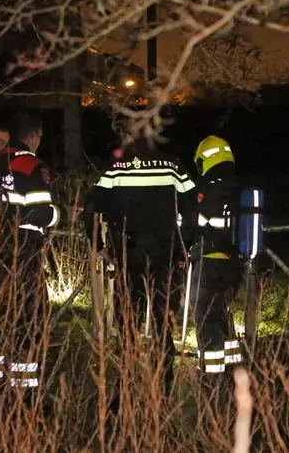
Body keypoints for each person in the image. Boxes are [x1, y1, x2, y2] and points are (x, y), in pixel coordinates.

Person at [83, 122, 198, 400]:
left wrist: (98, 246)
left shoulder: (116, 167)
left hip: (127, 254)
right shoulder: (174, 166)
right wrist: (185, 246)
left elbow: (90, 208)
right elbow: (193, 208)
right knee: (162, 321)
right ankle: (163, 390)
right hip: (166, 254)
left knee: (128, 324)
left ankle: (123, 392)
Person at [0, 113, 62, 399]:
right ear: (33, 137)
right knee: (28, 314)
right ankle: (24, 390)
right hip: (23, 251)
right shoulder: (31, 164)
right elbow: (41, 211)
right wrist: (58, 215)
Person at [190, 136, 243, 384]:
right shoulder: (235, 185)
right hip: (233, 263)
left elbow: (200, 223)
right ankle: (232, 368)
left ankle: (211, 377)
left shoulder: (209, 186)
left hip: (210, 262)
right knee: (222, 315)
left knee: (206, 317)